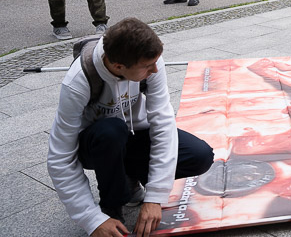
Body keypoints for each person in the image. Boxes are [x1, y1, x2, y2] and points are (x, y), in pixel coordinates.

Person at [47, 17, 214, 237]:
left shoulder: (150, 61)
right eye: (147, 67)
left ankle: (128, 176)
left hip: (133, 135)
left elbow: (163, 124)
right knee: (112, 131)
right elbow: (60, 158)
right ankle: (112, 207)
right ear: (118, 66)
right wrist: (92, 220)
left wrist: (155, 195)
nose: (155, 69)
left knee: (200, 155)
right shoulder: (77, 82)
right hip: (96, 145)